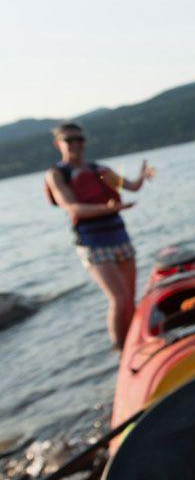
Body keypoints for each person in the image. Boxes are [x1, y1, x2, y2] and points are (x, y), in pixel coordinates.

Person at [44, 123, 155, 350]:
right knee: (119, 298)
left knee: (129, 297)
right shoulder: (57, 174)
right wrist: (110, 208)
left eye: (79, 139)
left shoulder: (99, 170)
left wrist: (142, 176)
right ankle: (120, 349)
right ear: (58, 144)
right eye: (69, 140)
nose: (75, 144)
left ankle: (136, 344)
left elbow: (131, 186)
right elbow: (73, 208)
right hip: (93, 242)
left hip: (119, 236)